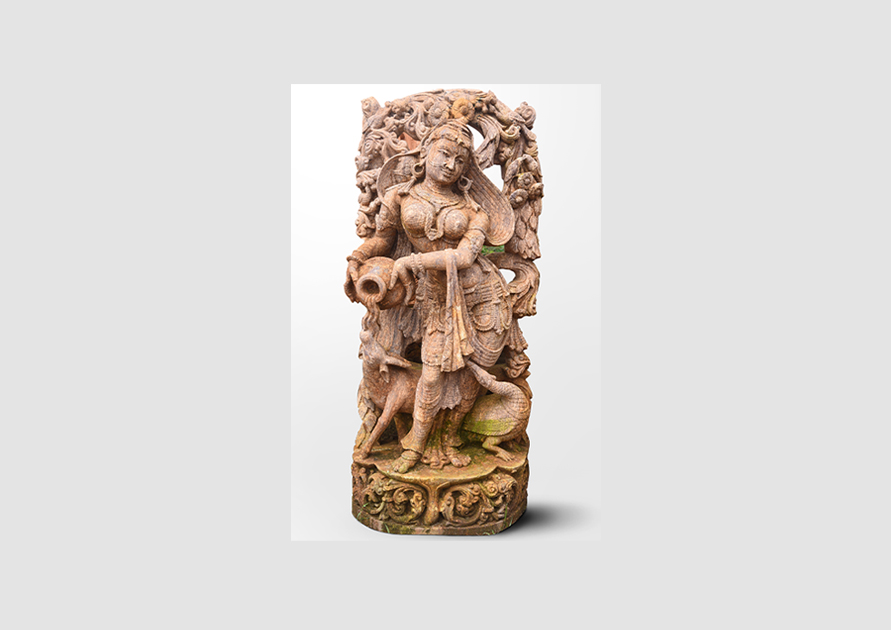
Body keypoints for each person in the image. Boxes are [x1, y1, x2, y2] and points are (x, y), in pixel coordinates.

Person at [345, 111, 514, 473]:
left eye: (460, 160)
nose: (451, 165)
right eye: (445, 154)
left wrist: (414, 263)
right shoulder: (400, 196)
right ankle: (414, 447)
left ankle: (450, 438)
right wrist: (356, 258)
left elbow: (465, 257)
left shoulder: (473, 211)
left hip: (482, 297)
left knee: (472, 373)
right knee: (433, 373)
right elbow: (383, 240)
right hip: (436, 296)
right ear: (426, 152)